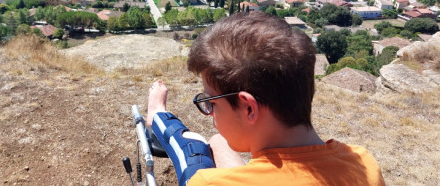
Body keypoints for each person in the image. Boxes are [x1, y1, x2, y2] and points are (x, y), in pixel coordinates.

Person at [147, 12, 385, 185]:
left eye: (211, 103)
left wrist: (159, 114)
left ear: (249, 107)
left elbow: (192, 173)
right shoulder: (364, 164)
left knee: (195, 148)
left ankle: (157, 115)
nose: (211, 114)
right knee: (218, 141)